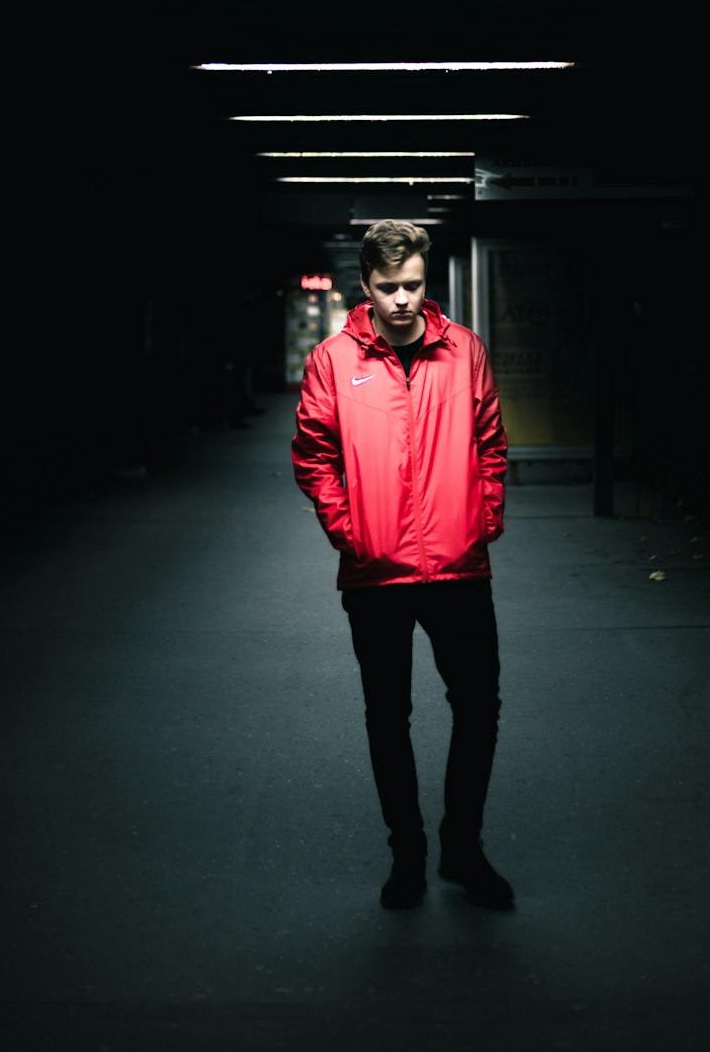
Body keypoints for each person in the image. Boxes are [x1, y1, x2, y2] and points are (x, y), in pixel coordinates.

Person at [292, 219, 514, 910]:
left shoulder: (465, 352)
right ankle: (408, 854)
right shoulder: (332, 361)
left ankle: (462, 848)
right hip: (375, 573)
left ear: (427, 281)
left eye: (413, 285)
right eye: (388, 287)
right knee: (387, 715)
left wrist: (484, 520)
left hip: (459, 567)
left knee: (478, 708)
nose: (401, 300)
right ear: (367, 285)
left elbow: (490, 442)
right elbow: (313, 455)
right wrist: (350, 532)